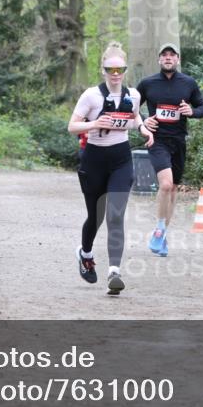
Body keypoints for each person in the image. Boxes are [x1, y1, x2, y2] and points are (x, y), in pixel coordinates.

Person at [68, 42, 154, 295]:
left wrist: (143, 128)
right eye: (110, 70)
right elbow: (72, 126)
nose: (115, 74)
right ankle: (85, 254)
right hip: (94, 160)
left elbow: (135, 115)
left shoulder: (134, 95)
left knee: (115, 217)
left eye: (120, 70)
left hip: (121, 160)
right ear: (103, 69)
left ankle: (114, 272)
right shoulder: (91, 95)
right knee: (96, 217)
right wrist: (94, 123)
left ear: (125, 70)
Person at [137, 43, 203, 257]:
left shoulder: (188, 83)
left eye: (172, 55)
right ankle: (159, 230)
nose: (168, 58)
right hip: (157, 141)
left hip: (179, 141)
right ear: (159, 60)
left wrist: (192, 111)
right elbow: (130, 108)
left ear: (177, 59)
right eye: (164, 55)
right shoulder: (147, 83)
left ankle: (163, 235)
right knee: (166, 184)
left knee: (174, 188)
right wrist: (144, 122)